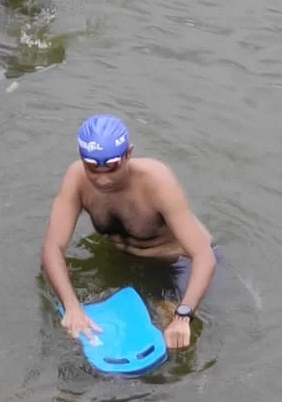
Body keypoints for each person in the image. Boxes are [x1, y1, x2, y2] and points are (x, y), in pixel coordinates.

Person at [40, 114, 217, 349]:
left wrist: (183, 316)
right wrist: (72, 307)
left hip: (176, 263)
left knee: (172, 341)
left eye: (112, 167)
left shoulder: (157, 181)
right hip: (122, 260)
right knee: (73, 327)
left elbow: (204, 256)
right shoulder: (76, 178)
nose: (103, 179)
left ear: (128, 154)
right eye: (92, 168)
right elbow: (52, 247)